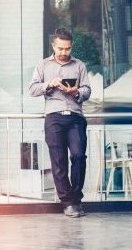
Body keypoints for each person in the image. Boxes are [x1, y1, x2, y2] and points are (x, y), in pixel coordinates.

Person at [29, 28, 91, 218]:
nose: (64, 52)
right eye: (61, 49)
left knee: (79, 156)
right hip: (54, 117)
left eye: (68, 49)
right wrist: (50, 84)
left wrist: (76, 92)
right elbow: (32, 89)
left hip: (75, 117)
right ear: (53, 46)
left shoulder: (79, 65)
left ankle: (76, 197)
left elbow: (88, 90)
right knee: (59, 161)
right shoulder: (43, 65)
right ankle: (68, 203)